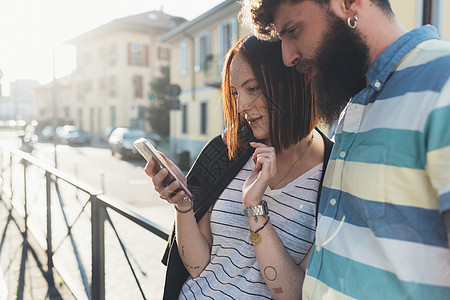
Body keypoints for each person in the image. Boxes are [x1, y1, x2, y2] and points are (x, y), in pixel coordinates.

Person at [242, 0, 450, 298]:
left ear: (348, 4)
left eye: (293, 30)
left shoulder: (443, 82)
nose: (287, 56)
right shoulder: (353, 103)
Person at [144, 35, 333, 299]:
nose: (241, 106)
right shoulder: (226, 150)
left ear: (292, 82)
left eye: (253, 88)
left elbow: (293, 294)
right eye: (235, 93)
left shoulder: (335, 176)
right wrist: (183, 205)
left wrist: (254, 207)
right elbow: (198, 267)